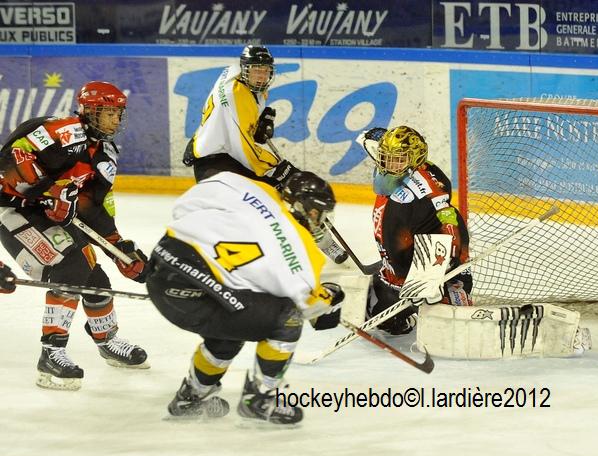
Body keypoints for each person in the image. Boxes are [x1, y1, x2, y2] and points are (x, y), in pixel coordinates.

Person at [145, 170, 344, 425]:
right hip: (197, 296)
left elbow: (184, 206)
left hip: (161, 268)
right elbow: (307, 304)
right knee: (287, 317)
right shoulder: (301, 247)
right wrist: (331, 297)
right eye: (320, 213)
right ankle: (260, 399)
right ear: (310, 211)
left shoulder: (245, 186)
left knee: (235, 321)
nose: (321, 220)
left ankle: (191, 398)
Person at [0, 81, 149, 391]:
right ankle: (51, 353)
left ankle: (107, 340)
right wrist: (48, 193)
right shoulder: (61, 132)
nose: (115, 121)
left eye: (118, 114)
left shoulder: (105, 154)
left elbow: (91, 207)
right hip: (11, 209)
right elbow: (13, 160)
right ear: (90, 111)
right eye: (108, 113)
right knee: (71, 265)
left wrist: (118, 249)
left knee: (94, 276)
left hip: (43, 213)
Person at [182, 44, 348, 264]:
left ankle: (320, 238)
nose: (261, 76)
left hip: (225, 151)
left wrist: (257, 122)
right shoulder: (235, 96)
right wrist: (278, 169)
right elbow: (245, 150)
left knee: (287, 194)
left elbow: (229, 123)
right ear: (245, 69)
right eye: (255, 70)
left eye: (265, 71)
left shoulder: (236, 76)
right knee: (264, 204)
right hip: (218, 162)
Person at [357, 125, 473, 335]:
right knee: (384, 322)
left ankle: (451, 287)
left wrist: (435, 273)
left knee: (449, 328)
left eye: (398, 160)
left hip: (433, 257)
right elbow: (375, 141)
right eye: (386, 158)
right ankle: (394, 293)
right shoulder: (392, 165)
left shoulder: (430, 191)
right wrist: (373, 136)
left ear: (414, 160)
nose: (390, 165)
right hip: (399, 263)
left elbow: (449, 222)